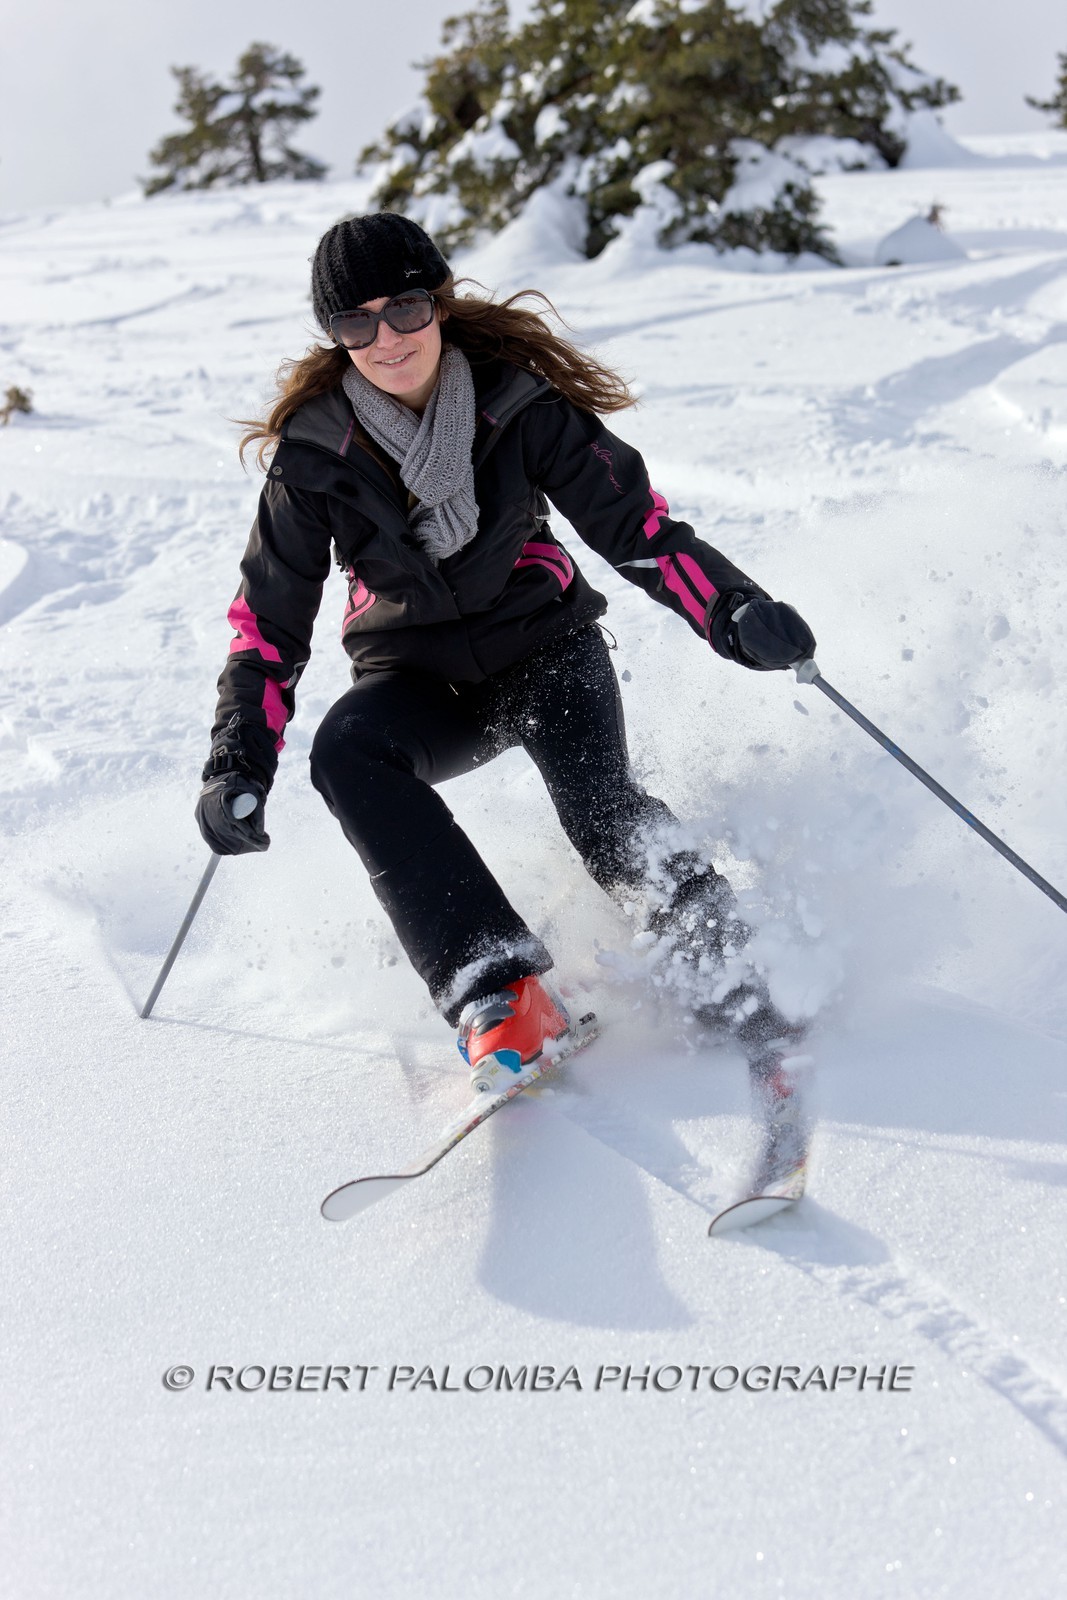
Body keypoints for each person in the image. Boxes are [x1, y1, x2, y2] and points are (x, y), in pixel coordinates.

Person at [196, 212, 816, 1093]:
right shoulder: (313, 458)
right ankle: (499, 987)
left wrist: (733, 609)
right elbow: (268, 627)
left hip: (545, 645)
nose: (386, 338)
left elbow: (635, 529)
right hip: (417, 680)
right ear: (335, 336)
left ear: (438, 304)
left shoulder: (517, 404)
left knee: (598, 811)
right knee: (349, 751)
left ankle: (721, 954)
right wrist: (236, 758)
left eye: (405, 308)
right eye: (355, 322)